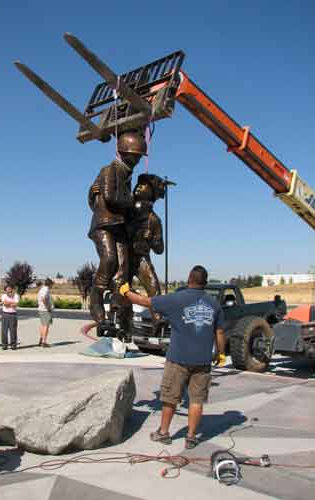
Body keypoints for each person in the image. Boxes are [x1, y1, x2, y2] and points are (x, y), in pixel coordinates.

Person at [120, 265, 226, 449]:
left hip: (178, 359)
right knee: (196, 400)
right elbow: (220, 332)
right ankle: (191, 437)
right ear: (205, 283)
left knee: (170, 397)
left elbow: (145, 302)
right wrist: (221, 352)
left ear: (189, 280)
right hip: (203, 361)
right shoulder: (214, 304)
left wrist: (126, 291)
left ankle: (164, 433)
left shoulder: (176, 299)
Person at [87, 129, 147, 330]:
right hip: (104, 225)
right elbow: (111, 197)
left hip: (118, 226)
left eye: (139, 157)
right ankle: (95, 300)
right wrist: (133, 201)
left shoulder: (127, 175)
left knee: (123, 269)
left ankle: (115, 308)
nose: (137, 160)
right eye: (135, 156)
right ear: (124, 152)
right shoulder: (109, 170)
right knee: (109, 260)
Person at [129, 174, 165, 333]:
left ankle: (158, 324)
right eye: (138, 184)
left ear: (151, 192)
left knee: (154, 289)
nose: (138, 187)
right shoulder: (127, 209)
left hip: (142, 259)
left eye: (142, 185)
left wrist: (152, 240)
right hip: (124, 256)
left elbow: (160, 249)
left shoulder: (154, 220)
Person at [1, 285, 20, 350]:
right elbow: (5, 304)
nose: (9, 290)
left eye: (10, 289)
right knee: (4, 330)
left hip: (13, 314)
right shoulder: (3, 296)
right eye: (7, 289)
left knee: (13, 331)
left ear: (12, 289)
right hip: (5, 314)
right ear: (5, 290)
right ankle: (4, 345)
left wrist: (9, 303)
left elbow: (15, 304)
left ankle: (13, 345)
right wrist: (11, 303)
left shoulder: (16, 295)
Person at [37, 278, 54, 347]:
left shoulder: (42, 289)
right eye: (52, 284)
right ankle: (44, 342)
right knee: (46, 326)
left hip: (42, 309)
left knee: (43, 325)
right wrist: (48, 308)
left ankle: (41, 340)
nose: (52, 286)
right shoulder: (46, 289)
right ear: (50, 284)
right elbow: (43, 299)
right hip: (45, 310)